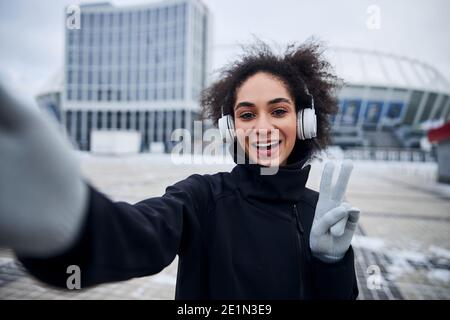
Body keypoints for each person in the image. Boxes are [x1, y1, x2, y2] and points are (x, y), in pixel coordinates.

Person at [0, 40, 360, 299]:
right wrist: (73, 225)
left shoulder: (320, 211)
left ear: (305, 122)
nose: (262, 127)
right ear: (230, 129)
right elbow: (140, 233)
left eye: (279, 111)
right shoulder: (203, 197)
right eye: (247, 114)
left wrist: (332, 264)